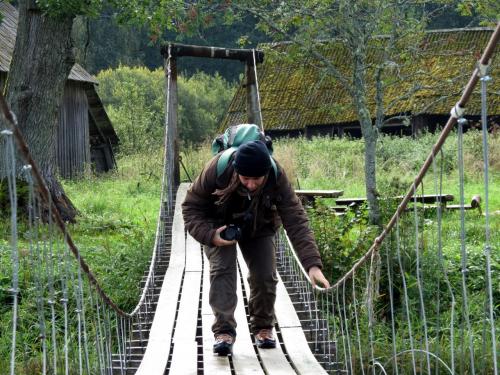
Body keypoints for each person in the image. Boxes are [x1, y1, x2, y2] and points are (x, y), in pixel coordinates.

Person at [182, 139, 330, 356]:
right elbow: (190, 207)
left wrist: (312, 265)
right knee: (222, 270)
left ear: (266, 174)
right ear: (236, 171)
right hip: (218, 226)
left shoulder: (276, 176)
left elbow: (296, 220)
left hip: (260, 224)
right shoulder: (216, 170)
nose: (251, 184)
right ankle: (224, 331)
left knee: (265, 274)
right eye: (245, 178)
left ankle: (263, 327)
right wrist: (210, 235)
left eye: (257, 179)